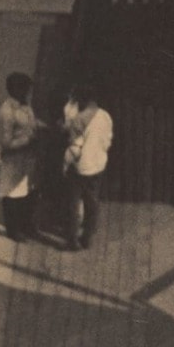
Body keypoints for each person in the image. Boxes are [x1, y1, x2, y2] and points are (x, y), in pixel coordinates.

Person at [63, 83, 113, 251]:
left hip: (80, 168)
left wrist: (66, 164)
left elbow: (74, 148)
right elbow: (107, 140)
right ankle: (87, 237)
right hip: (98, 165)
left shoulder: (79, 119)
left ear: (82, 99)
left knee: (74, 204)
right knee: (92, 202)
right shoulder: (105, 116)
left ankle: (72, 240)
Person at [0, 72, 41, 242]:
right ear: (17, 90)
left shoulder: (25, 105)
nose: (29, 93)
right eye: (27, 90)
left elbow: (30, 122)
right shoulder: (7, 112)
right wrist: (28, 140)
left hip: (29, 158)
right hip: (14, 161)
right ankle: (13, 230)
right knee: (12, 195)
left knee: (30, 192)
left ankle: (26, 226)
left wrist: (42, 127)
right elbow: (6, 144)